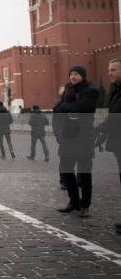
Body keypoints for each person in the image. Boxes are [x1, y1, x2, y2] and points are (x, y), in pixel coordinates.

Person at [53, 65, 98, 218]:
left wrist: (65, 107)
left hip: (84, 135)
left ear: (83, 76)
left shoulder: (90, 90)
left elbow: (86, 106)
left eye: (76, 74)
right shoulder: (67, 90)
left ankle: (85, 205)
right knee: (66, 169)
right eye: (71, 74)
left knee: (84, 172)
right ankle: (74, 202)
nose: (73, 77)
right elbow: (57, 108)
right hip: (68, 135)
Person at [95, 58, 121, 232]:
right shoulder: (116, 90)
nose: (109, 72)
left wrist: (99, 129)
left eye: (113, 69)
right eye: (109, 69)